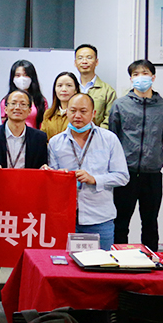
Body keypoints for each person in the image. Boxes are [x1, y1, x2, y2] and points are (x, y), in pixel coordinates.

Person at [0, 89, 48, 323]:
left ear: (30, 110)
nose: (17, 107)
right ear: (5, 109)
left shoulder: (39, 137)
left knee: (28, 258)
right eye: (13, 103)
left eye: (23, 104)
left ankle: (26, 310)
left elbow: (41, 166)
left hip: (27, 205)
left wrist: (45, 169)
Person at [45, 93, 129, 251]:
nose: (77, 116)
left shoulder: (109, 139)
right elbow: (51, 180)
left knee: (101, 264)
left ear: (93, 113)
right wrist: (56, 176)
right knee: (65, 264)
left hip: (99, 218)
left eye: (83, 111)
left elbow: (122, 176)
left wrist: (95, 179)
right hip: (65, 218)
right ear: (66, 112)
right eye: (73, 110)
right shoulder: (55, 142)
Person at [109, 60, 163, 251]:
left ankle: (151, 259)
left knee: (150, 222)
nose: (140, 78)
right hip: (125, 173)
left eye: (144, 73)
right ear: (130, 79)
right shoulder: (120, 105)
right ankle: (119, 258)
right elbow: (114, 135)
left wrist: (150, 152)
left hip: (152, 173)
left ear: (153, 77)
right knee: (121, 222)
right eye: (135, 74)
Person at [75, 43, 117, 128]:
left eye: (89, 57)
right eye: (80, 58)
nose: (84, 61)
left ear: (96, 62)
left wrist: (96, 134)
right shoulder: (70, 88)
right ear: (75, 63)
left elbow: (109, 119)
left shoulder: (107, 91)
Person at [1, 59, 46, 130]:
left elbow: (44, 124)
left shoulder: (40, 101)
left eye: (26, 75)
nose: (22, 78)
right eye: (18, 75)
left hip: (34, 135)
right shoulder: (5, 101)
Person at [41, 71, 79, 140]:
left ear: (76, 89)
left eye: (69, 85)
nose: (64, 89)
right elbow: (43, 138)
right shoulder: (48, 114)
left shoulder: (80, 114)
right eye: (60, 86)